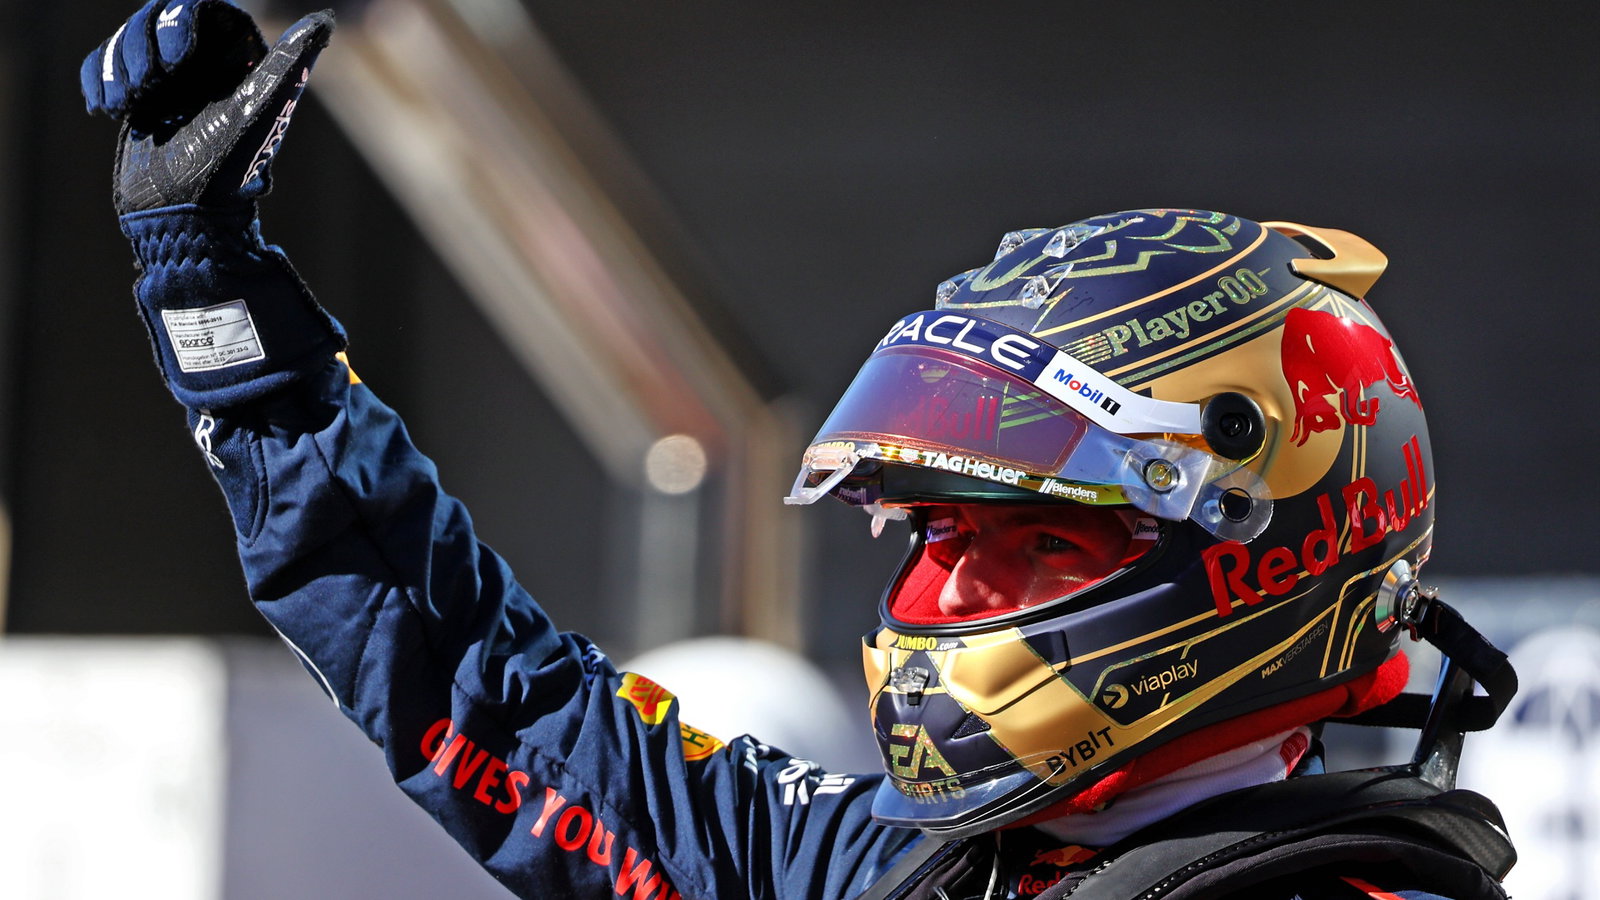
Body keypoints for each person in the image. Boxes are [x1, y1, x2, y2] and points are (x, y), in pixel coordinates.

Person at [81, 4, 1521, 898]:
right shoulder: (908, 870)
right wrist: (214, 293)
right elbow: (486, 694)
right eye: (940, 535)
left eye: (1041, 540)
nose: (952, 596)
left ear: (1262, 559)